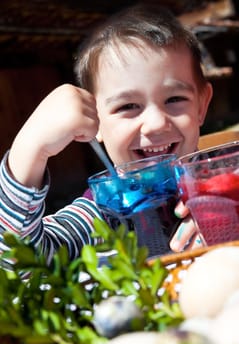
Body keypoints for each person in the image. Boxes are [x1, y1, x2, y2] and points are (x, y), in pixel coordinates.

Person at [0, 3, 213, 262]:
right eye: (128, 106)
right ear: (94, 121)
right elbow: (22, 264)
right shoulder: (101, 217)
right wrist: (30, 147)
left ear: (201, 105)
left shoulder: (229, 184)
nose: (156, 123)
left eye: (174, 99)